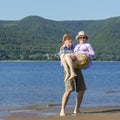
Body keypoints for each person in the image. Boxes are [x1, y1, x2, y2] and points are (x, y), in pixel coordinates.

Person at [59, 31, 95, 116]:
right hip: (68, 69)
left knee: (82, 90)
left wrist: (84, 53)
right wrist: (63, 47)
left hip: (78, 69)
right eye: (80, 37)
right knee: (68, 90)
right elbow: (62, 58)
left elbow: (91, 54)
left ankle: (77, 109)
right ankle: (62, 110)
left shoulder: (76, 46)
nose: (82, 39)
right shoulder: (64, 48)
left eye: (83, 37)